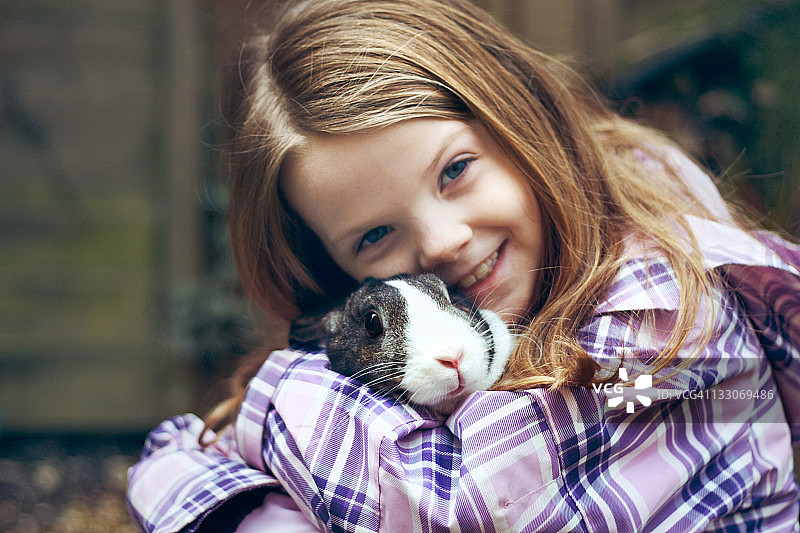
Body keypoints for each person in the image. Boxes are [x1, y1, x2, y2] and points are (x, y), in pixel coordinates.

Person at [126, 0, 800, 531]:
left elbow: (466, 507)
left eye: (454, 170)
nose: (444, 241)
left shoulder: (664, 316)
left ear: (515, 117)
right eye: (375, 235)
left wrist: (273, 407)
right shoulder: (449, 327)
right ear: (332, 276)